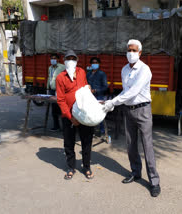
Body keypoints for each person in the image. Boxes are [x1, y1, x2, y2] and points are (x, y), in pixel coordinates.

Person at [103, 39, 161, 197]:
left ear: (140, 53)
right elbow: (125, 91)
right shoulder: (124, 70)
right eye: (129, 50)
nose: (131, 53)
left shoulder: (145, 70)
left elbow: (134, 92)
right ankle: (136, 173)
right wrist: (113, 103)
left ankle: (154, 182)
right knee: (131, 144)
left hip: (143, 110)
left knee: (147, 145)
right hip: (128, 110)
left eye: (134, 50)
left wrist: (113, 102)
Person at [56, 50, 94, 180]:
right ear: (64, 61)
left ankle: (87, 166)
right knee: (69, 142)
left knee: (86, 141)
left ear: (77, 60)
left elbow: (84, 91)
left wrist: (88, 87)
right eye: (68, 58)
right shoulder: (60, 77)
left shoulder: (81, 72)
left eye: (73, 58)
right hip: (69, 116)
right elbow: (60, 100)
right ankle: (71, 167)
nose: (71, 61)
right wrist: (70, 117)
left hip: (83, 114)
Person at [86, 57, 108, 136]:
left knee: (99, 114)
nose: (94, 64)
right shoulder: (88, 74)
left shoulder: (102, 74)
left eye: (96, 63)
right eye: (93, 63)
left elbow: (105, 86)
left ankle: (102, 131)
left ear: (99, 64)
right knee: (89, 114)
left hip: (99, 96)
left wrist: (95, 90)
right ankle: (91, 130)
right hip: (89, 97)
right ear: (91, 64)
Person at [47, 53, 65, 131]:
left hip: (60, 90)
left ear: (58, 60)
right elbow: (49, 78)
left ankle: (65, 127)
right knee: (54, 109)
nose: (53, 60)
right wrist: (47, 88)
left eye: (55, 58)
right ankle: (56, 126)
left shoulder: (62, 67)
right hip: (52, 90)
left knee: (62, 109)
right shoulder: (50, 68)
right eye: (52, 58)